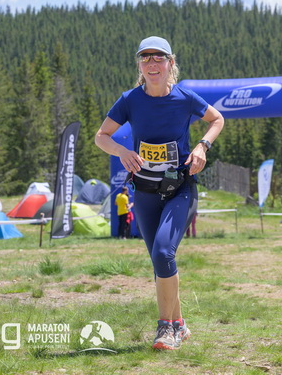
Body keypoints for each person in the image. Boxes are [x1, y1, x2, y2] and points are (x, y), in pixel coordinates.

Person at [95, 36, 224, 350]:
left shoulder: (185, 97)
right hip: (145, 191)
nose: (152, 63)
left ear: (170, 63)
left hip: (180, 187)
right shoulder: (130, 100)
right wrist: (122, 151)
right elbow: (101, 136)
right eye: (146, 58)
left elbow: (217, 119)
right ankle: (179, 324)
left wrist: (202, 146)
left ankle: (166, 328)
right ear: (140, 65)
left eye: (159, 57)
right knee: (159, 260)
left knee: (164, 252)